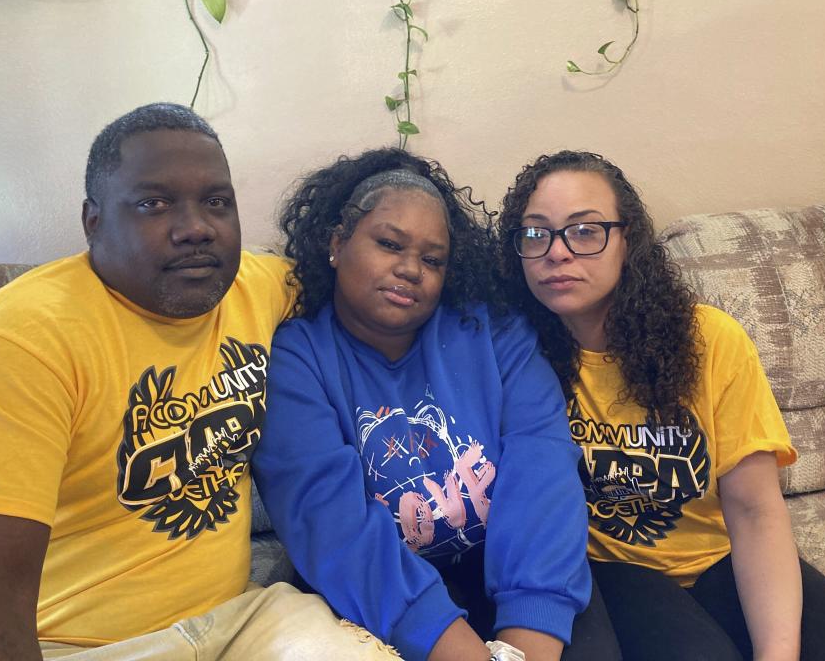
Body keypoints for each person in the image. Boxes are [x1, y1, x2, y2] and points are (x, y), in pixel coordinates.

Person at [0, 103, 401, 660]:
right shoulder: (17, 345)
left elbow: (374, 289)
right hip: (79, 644)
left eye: (216, 202)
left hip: (241, 619)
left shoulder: (259, 286)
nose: (196, 227)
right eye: (155, 204)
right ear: (93, 221)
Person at [498, 149, 825, 661]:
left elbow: (754, 510)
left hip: (717, 555)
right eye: (535, 233)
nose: (557, 252)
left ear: (628, 241)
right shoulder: (515, 354)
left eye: (585, 230)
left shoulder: (710, 341)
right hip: (610, 569)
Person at [250, 148, 592, 661]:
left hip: (513, 579)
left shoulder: (494, 333)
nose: (410, 269)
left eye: (432, 259)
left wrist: (529, 637)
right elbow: (329, 523)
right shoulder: (299, 356)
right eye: (389, 244)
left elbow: (543, 472)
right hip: (375, 598)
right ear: (337, 243)